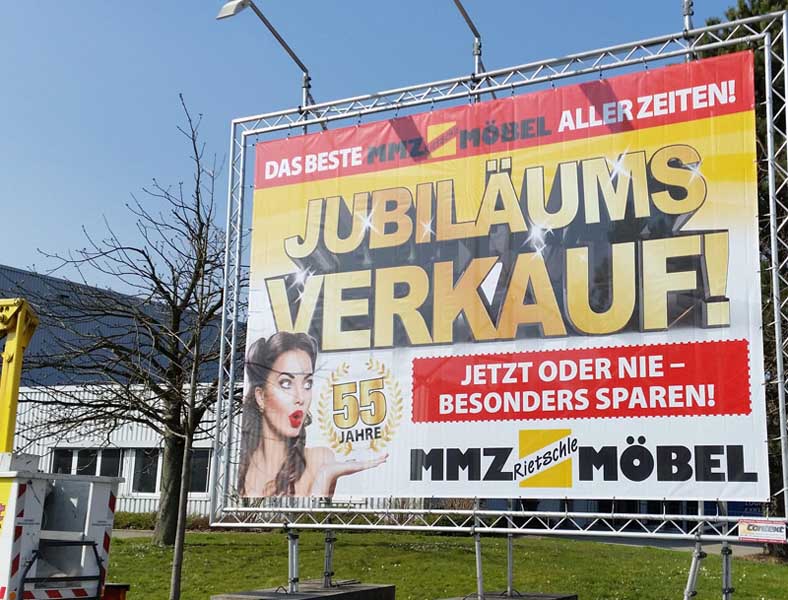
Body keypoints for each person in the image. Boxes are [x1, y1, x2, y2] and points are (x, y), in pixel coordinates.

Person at [239, 331, 387, 497]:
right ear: (261, 397)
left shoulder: (319, 460)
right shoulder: (243, 469)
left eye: (307, 384)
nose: (300, 398)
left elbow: (315, 513)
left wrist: (325, 476)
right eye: (286, 383)